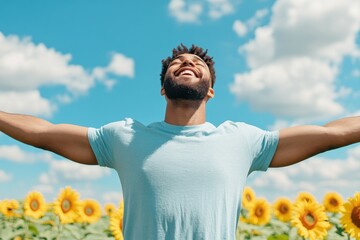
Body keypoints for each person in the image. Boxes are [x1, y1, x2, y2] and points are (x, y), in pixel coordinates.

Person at [0, 44, 359, 240]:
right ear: (162, 86)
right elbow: (44, 134)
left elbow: (330, 135)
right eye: (178, 62)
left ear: (211, 89)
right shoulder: (124, 137)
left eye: (196, 62)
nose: (187, 62)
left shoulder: (243, 140)